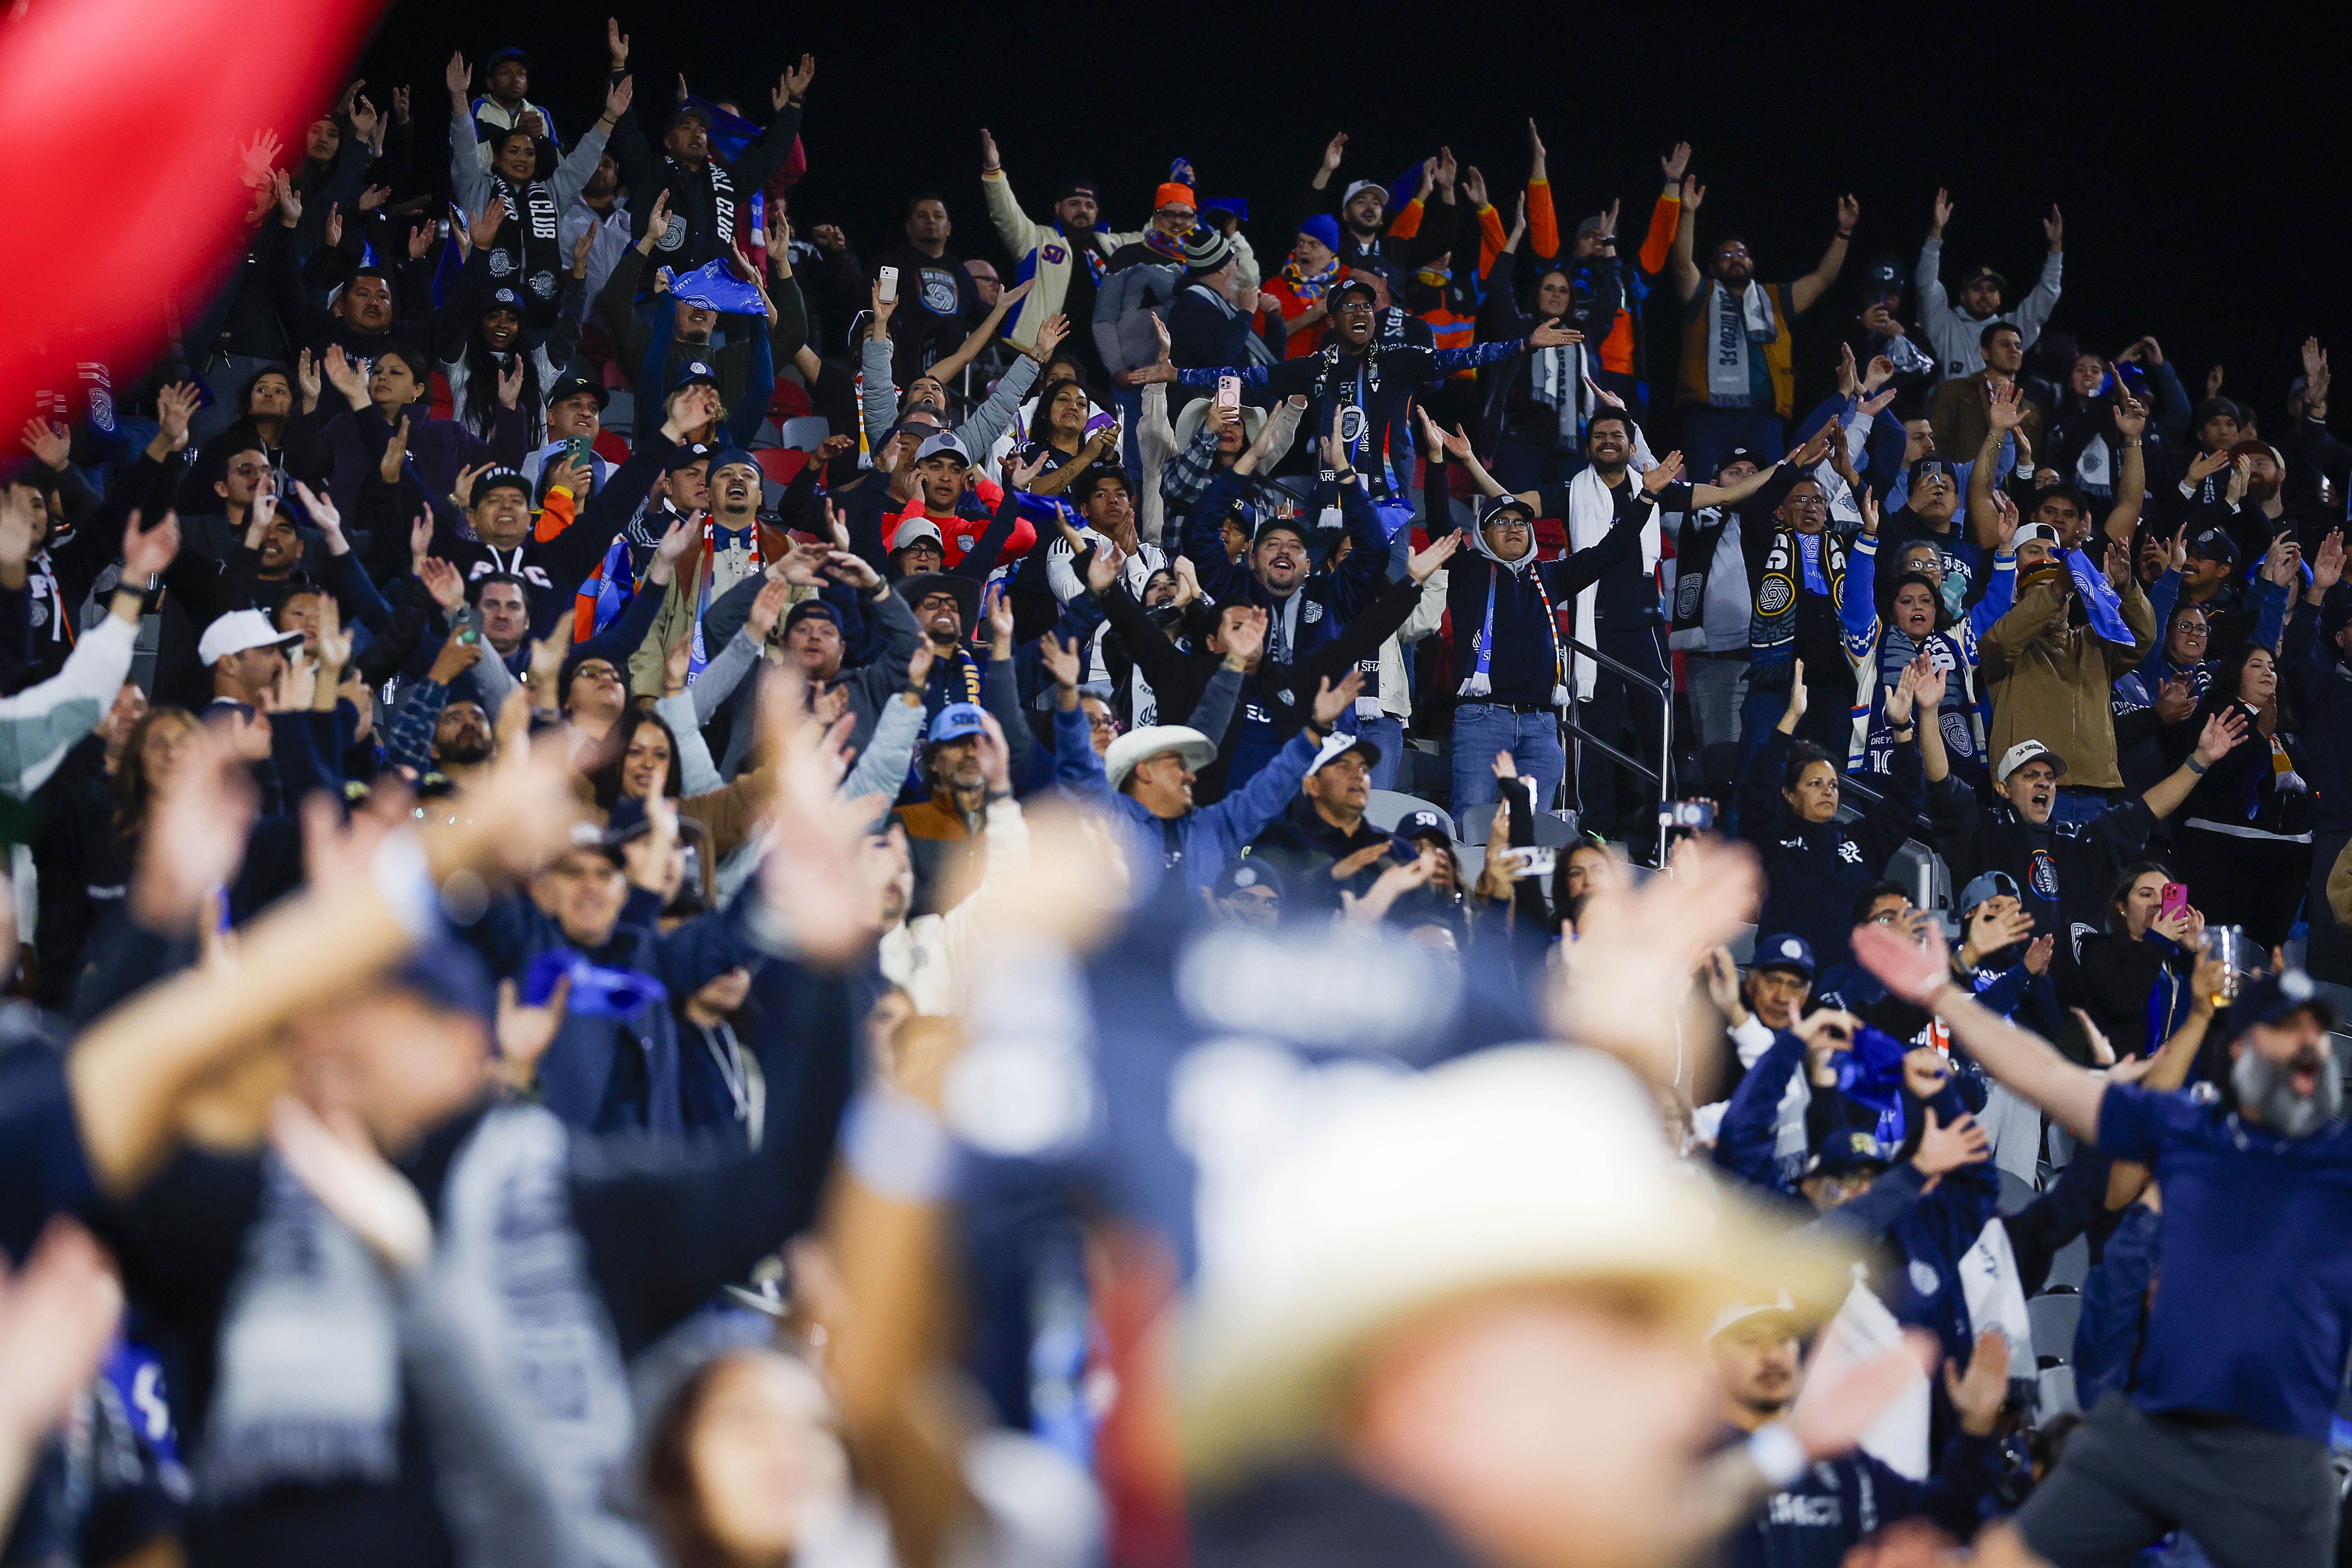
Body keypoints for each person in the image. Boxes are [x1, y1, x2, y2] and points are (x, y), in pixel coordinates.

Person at [1852, 928, 2352, 1568]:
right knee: (1998, 1557)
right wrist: (1939, 993)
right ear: (2246, 1047)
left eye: (2317, 1029)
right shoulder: (2184, 1129)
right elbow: (2047, 1076)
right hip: (2149, 1430)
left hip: (2273, 1456)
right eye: (2290, 1028)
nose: (2311, 1041)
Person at [1926, 719, 2246, 1029]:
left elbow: (2144, 813)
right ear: (2002, 789)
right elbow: (1941, 784)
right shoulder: (1983, 829)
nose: (2044, 782)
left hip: (2066, 1012)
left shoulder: (2080, 840)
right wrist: (1928, 713)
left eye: (2050, 777)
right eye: (2030, 775)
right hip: (1988, 1003)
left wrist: (2199, 761)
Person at [1711, 1302, 2008, 1568]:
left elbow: (1942, 1517)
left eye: (1784, 1339)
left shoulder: (1846, 1465)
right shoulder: (1691, 1464)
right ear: (1708, 1358)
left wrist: (1976, 1425)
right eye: (1749, 1340)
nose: (1773, 1355)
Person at [1738, 658, 1925, 972]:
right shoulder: (1771, 838)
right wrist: (1792, 716)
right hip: (1789, 983)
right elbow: (1757, 787)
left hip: (1852, 987)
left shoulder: (1860, 839)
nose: (1828, 792)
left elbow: (1906, 799)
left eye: (1833, 785)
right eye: (1815, 784)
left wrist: (1901, 727)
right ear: (1788, 792)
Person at [1668, 180, 1858, 478]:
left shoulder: (1773, 298)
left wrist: (1843, 232)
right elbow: (1681, 264)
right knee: (1706, 490)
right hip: (1709, 416)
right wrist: (1688, 212)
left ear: (1752, 261)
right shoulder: (1701, 295)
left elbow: (1822, 279)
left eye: (1741, 253)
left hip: (1763, 418)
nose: (1735, 259)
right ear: (1713, 266)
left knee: (1768, 493)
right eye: (1726, 256)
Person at [1914, 190, 2065, 382]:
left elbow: (2047, 295)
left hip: (1998, 411)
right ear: (1962, 296)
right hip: (1950, 411)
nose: (1985, 295)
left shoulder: (2012, 330)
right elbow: (1926, 285)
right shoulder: (1944, 325)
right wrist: (1935, 232)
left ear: (2000, 298)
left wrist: (2056, 248)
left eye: (1992, 290)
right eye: (1977, 289)